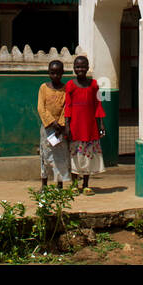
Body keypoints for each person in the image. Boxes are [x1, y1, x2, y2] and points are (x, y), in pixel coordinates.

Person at [64, 55, 106, 194]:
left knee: (88, 156)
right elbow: (68, 107)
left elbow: (98, 105)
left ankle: (86, 185)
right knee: (75, 156)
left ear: (88, 68)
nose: (80, 69)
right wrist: (67, 126)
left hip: (90, 127)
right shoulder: (70, 85)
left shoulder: (94, 84)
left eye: (83, 66)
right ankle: (75, 185)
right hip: (75, 127)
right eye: (77, 67)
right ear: (74, 68)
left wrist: (101, 124)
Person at [37, 60, 70, 189]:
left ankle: (59, 183)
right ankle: (44, 183)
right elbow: (41, 108)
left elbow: (67, 107)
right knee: (45, 155)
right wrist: (52, 122)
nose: (55, 76)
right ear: (49, 73)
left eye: (58, 73)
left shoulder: (66, 89)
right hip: (47, 128)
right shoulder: (43, 88)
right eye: (52, 73)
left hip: (60, 129)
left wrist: (61, 124)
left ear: (62, 73)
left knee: (60, 156)